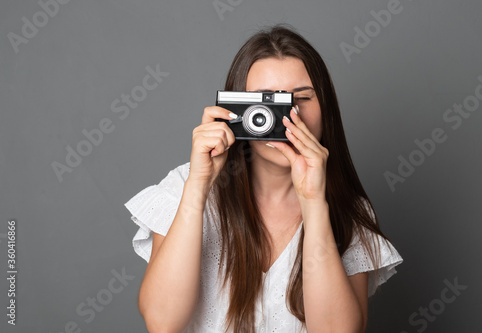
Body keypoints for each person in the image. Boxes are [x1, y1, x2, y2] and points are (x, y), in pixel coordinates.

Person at [125, 25, 403, 333]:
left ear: (326, 108)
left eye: (302, 98)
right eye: (267, 102)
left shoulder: (350, 212)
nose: (286, 117)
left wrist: (314, 203)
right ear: (236, 109)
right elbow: (162, 322)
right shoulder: (184, 187)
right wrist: (198, 186)